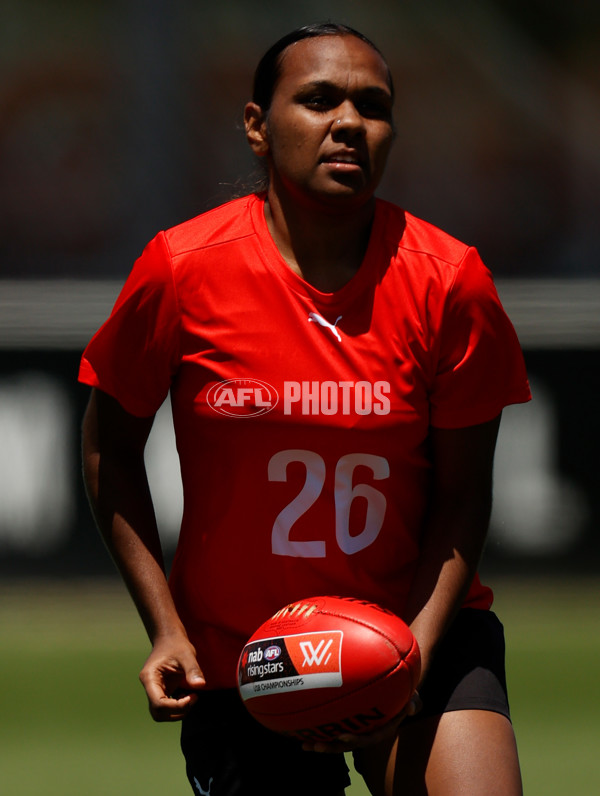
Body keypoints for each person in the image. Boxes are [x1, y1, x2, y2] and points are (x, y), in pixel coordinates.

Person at [80, 22, 531, 796]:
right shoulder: (181, 271)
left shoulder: (452, 282)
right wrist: (165, 629)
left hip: (421, 630)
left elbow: (463, 496)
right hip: (250, 658)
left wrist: (408, 660)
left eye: (373, 105)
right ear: (258, 126)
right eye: (319, 100)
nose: (349, 122)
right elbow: (107, 449)